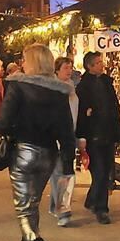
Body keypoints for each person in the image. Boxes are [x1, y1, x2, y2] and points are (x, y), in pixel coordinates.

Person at [0, 44, 76, 241]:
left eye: (24, 58)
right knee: (32, 202)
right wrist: (68, 162)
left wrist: (13, 132)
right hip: (48, 154)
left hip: (23, 151)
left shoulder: (18, 86)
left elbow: (3, 122)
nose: (22, 63)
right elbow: (67, 131)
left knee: (24, 207)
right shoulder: (59, 92)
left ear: (31, 62)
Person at [75, 51, 120, 224]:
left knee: (105, 172)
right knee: (100, 171)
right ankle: (101, 209)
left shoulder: (106, 82)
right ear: (90, 66)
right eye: (98, 62)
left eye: (101, 61)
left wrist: (117, 131)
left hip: (108, 133)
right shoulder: (82, 87)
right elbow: (80, 113)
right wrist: (82, 135)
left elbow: (114, 108)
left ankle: (94, 200)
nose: (102, 64)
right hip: (93, 135)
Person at [48, 56, 81, 227]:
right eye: (66, 68)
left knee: (67, 174)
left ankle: (63, 208)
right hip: (55, 138)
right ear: (57, 70)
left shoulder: (72, 88)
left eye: (70, 67)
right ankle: (59, 206)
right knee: (57, 175)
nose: (69, 71)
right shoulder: (53, 89)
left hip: (70, 137)